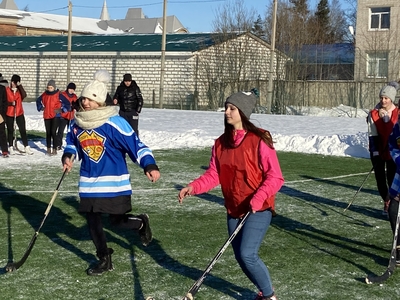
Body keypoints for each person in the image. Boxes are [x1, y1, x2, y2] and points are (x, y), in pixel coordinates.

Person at [178, 90, 284, 300]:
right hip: (234, 207)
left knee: (247, 254)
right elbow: (214, 174)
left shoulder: (259, 139)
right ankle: (263, 291)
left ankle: (269, 296)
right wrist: (194, 187)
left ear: (242, 112)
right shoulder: (220, 143)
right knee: (240, 256)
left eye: (232, 108)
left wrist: (258, 197)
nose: (226, 112)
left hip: (258, 207)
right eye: (226, 107)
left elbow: (275, 177)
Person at [61, 69, 160, 276]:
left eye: (90, 99)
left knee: (116, 221)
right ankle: (104, 259)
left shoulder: (114, 123)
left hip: (114, 182)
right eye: (84, 98)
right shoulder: (77, 123)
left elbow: (137, 145)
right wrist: (68, 157)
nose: (85, 103)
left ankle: (141, 222)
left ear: (100, 101)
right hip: (88, 182)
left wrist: (149, 165)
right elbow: (71, 143)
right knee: (93, 222)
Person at [367, 84, 399, 215]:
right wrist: (375, 152)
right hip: (378, 150)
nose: (383, 101)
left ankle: (392, 204)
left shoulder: (398, 112)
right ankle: (386, 200)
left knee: (392, 179)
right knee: (380, 180)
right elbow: (372, 134)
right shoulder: (374, 114)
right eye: (381, 98)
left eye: (386, 98)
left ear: (391, 99)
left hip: (394, 151)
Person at [36, 79, 70, 156]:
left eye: (51, 87)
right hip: (47, 115)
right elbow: (38, 100)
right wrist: (41, 107)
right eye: (48, 87)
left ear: (54, 87)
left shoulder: (59, 94)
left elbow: (67, 103)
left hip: (56, 116)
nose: (49, 89)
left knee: (53, 132)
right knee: (48, 133)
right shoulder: (44, 94)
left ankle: (54, 149)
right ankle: (48, 149)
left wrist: (62, 110)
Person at [5, 74, 33, 155]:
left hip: (19, 113)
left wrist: (20, 86)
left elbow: (24, 95)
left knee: (22, 130)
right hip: (9, 113)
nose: (13, 84)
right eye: (13, 82)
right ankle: (10, 146)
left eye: (16, 82)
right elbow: (3, 101)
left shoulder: (19, 91)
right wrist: (10, 103)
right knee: (10, 130)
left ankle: (26, 146)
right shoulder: (7, 90)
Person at [56, 82, 77, 150]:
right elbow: (60, 104)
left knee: (71, 131)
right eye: (70, 89)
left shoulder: (74, 96)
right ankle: (58, 145)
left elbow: (76, 105)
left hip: (71, 116)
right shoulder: (63, 95)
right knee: (60, 131)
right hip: (63, 115)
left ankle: (71, 144)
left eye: (73, 89)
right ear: (67, 88)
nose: (71, 90)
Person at [0, 74, 8, 157]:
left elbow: (5, 102)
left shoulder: (2, 89)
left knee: (2, 132)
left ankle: (4, 150)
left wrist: (2, 113)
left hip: (0, 114)